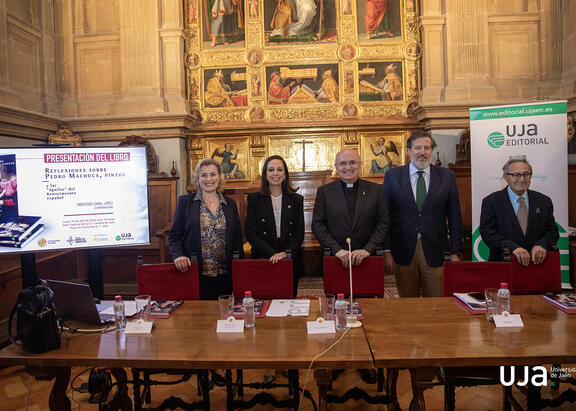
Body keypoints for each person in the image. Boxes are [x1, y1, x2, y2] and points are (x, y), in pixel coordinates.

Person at [312, 149, 388, 384]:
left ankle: (367, 360)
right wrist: (337, 250)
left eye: (352, 162)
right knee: (337, 310)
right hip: (338, 260)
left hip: (366, 259)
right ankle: (338, 360)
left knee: (367, 312)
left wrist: (368, 249)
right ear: (336, 166)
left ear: (360, 164)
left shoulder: (376, 189)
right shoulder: (325, 192)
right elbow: (318, 224)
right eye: (343, 163)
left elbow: (383, 223)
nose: (348, 167)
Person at [383, 131, 462, 298]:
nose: (422, 152)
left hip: (436, 249)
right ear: (409, 150)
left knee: (436, 303)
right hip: (402, 249)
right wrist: (387, 250)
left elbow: (455, 216)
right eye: (417, 148)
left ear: (431, 151)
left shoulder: (447, 176)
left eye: (427, 148)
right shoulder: (392, 176)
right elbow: (385, 216)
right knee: (407, 303)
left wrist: (456, 251)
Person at [169, 158, 244, 301]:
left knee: (225, 317)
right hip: (196, 273)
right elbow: (175, 236)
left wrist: (239, 274)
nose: (208, 179)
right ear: (197, 178)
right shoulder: (185, 202)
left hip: (226, 275)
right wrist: (178, 255)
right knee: (199, 319)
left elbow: (237, 239)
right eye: (203, 175)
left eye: (213, 174)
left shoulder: (231, 204)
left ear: (219, 177)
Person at [479, 158, 559, 265]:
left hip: (536, 264)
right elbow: (487, 232)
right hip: (504, 263)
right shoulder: (491, 201)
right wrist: (513, 248)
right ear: (506, 177)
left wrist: (541, 245)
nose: (522, 179)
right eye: (516, 175)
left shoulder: (544, 201)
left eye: (526, 174)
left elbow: (552, 231)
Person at [245, 155, 304, 298]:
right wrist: (272, 254)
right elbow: (251, 233)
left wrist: (285, 253)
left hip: (289, 258)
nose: (275, 173)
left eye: (279, 169)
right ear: (265, 174)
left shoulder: (296, 200)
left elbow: (299, 233)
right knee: (264, 299)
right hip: (263, 257)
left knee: (289, 299)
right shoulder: (254, 199)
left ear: (285, 174)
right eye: (271, 170)